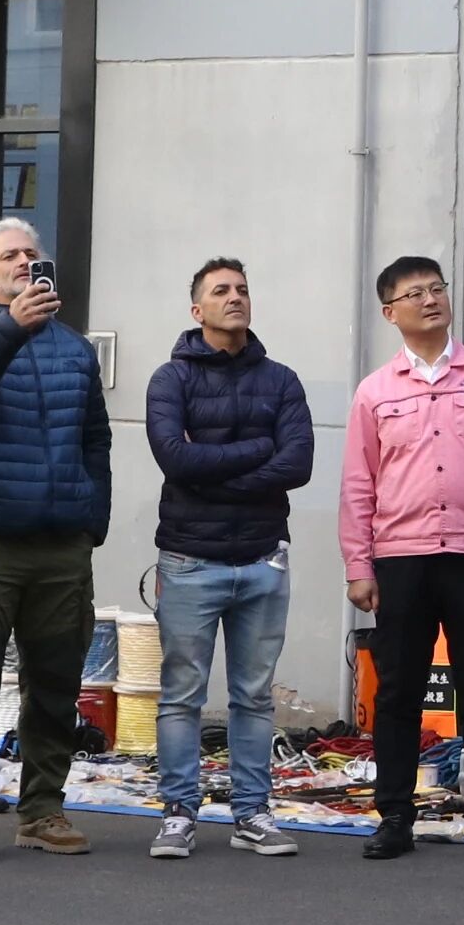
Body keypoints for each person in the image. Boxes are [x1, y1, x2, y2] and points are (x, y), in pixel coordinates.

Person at [0, 217, 115, 859]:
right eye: (11, 256)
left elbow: (96, 437)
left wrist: (94, 517)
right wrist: (10, 327)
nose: (26, 263)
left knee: (56, 686)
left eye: (34, 254)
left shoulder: (73, 347)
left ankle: (43, 810)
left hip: (63, 542)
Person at [340, 253, 464, 862]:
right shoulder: (375, 392)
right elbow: (357, 483)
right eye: (415, 293)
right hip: (401, 558)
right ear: (390, 312)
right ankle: (394, 815)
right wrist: (358, 565)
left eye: (437, 289)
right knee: (399, 692)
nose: (430, 299)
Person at [146, 255, 317, 858]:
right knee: (182, 694)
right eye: (221, 291)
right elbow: (176, 461)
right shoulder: (172, 380)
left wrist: (213, 470)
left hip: (263, 560)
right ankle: (177, 813)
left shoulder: (282, 380)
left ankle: (253, 815)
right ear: (197, 310)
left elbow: (297, 465)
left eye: (242, 289)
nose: (235, 297)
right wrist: (258, 453)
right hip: (190, 561)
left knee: (253, 695)